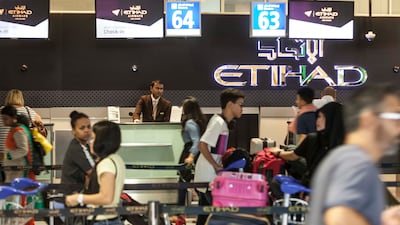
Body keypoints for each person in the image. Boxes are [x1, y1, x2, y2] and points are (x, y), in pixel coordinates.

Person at [308, 83, 400, 225]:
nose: (398, 128)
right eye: (394, 117)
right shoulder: (355, 162)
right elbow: (339, 218)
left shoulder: (342, 157)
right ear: (369, 120)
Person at [194, 88, 245, 225]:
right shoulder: (218, 122)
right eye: (240, 104)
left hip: (209, 174)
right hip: (208, 175)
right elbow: (202, 145)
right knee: (220, 216)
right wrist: (216, 165)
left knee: (204, 216)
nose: (242, 109)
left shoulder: (222, 123)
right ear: (230, 104)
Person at [270, 101, 344, 187]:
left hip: (314, 185)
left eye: (320, 117)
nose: (317, 121)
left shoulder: (314, 138)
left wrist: (278, 153)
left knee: (276, 182)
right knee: (290, 148)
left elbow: (293, 156)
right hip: (336, 189)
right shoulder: (348, 143)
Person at [66, 120, 126, 225]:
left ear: (103, 141)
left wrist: (79, 198)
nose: (90, 142)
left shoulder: (106, 163)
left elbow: (106, 197)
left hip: (101, 220)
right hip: (112, 218)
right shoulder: (117, 159)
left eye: (93, 138)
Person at [1, 105, 35, 225]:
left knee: (15, 202)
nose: (4, 121)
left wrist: (7, 156)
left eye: (5, 119)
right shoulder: (13, 129)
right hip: (12, 173)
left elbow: (23, 150)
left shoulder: (18, 131)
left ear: (13, 118)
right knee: (12, 201)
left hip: (18, 172)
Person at [0, 89, 43, 182]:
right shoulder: (29, 112)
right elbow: (40, 125)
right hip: (22, 162)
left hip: (4, 158)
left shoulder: (2, 111)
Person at [178, 96, 208, 206]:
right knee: (185, 183)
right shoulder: (198, 121)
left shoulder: (190, 123)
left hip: (189, 152)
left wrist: (191, 156)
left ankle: (179, 211)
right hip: (195, 153)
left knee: (184, 183)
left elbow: (196, 141)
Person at [61, 111, 95, 195]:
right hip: (72, 195)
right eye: (82, 128)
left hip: (81, 193)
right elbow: (92, 172)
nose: (87, 130)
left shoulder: (86, 146)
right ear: (73, 131)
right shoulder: (75, 148)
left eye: (88, 127)